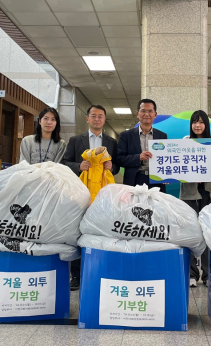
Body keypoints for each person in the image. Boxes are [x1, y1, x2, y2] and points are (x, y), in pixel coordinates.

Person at [62, 104, 119, 291]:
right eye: (93, 116)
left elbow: (117, 165)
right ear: (87, 119)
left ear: (104, 120)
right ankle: (76, 275)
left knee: (101, 230)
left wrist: (113, 167)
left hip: (103, 195)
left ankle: (100, 269)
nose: (97, 119)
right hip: (81, 193)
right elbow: (65, 162)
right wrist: (79, 166)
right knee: (78, 230)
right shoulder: (75, 140)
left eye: (100, 116)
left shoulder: (111, 142)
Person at [180, 110, 211, 288]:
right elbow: (177, 166)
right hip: (189, 193)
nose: (197, 126)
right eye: (194, 122)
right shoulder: (183, 143)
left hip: (208, 192)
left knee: (207, 233)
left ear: (206, 124)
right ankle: (191, 274)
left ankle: (207, 274)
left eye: (201, 122)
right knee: (189, 232)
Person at [117, 99, 167, 192]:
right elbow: (119, 159)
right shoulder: (125, 136)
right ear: (137, 114)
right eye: (143, 111)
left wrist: (167, 175)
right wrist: (138, 157)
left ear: (155, 115)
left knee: (155, 206)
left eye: (150, 111)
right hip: (135, 179)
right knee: (136, 207)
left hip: (156, 181)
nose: (147, 114)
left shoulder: (162, 136)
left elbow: (166, 159)